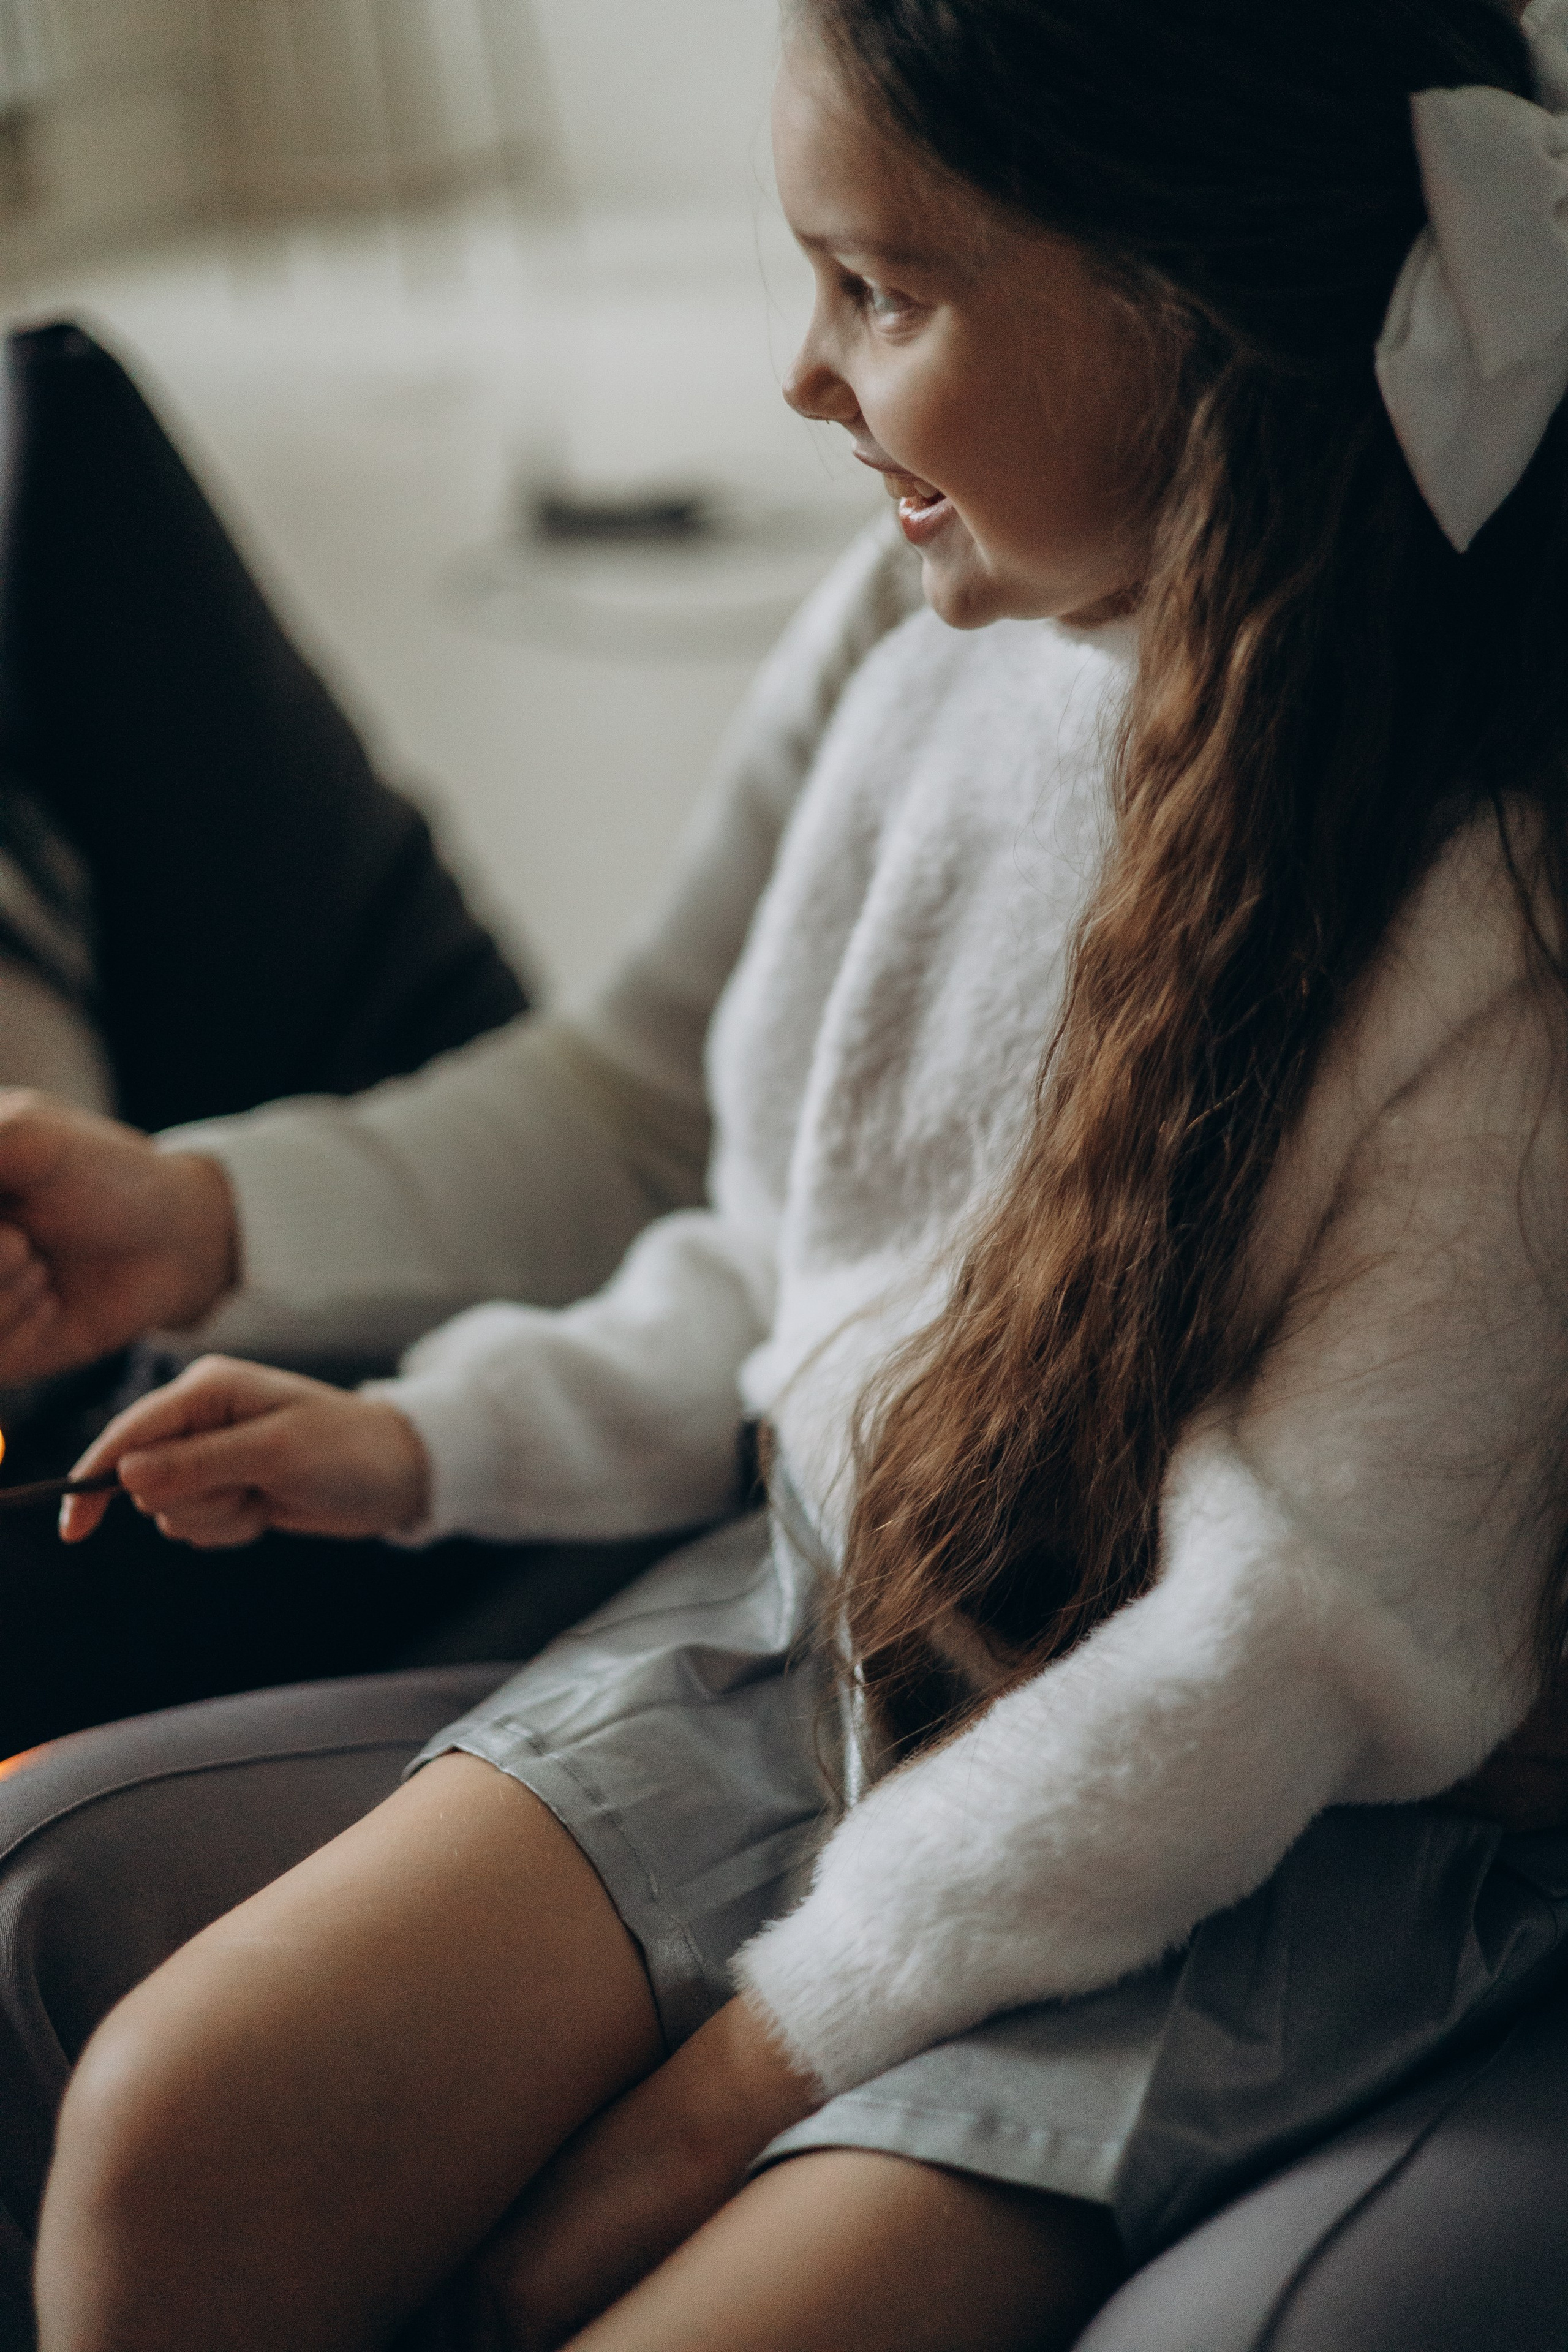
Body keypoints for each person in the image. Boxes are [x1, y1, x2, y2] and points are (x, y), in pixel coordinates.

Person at [6, 0, 1568, 2343]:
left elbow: (1265, 1666)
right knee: (173, 2129)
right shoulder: (924, 635)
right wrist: (420, 1421)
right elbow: (777, 1233)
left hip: (1232, 1830)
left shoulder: (1494, 927)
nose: (801, 379)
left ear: (1203, 319)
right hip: (822, 1649)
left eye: (883, 294)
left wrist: (728, 2085)